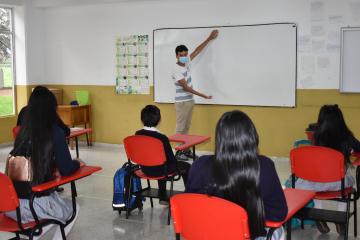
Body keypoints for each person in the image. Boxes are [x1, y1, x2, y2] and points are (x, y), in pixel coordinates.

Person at [186, 110, 288, 240]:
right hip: (245, 235)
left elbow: (190, 206)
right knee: (279, 230)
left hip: (207, 234)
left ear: (219, 138)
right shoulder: (264, 166)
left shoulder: (199, 164)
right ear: (252, 137)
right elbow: (278, 214)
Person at [5, 86, 83, 239]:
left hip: (10, 206)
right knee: (73, 209)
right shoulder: (55, 132)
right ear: (51, 109)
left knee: (53, 206)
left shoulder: (22, 132)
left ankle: (33, 236)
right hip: (34, 206)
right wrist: (77, 163)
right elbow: (66, 169)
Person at [295, 104, 360, 235]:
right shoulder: (347, 136)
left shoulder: (316, 137)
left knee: (315, 176)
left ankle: (319, 215)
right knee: (348, 179)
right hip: (338, 185)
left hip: (315, 184)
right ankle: (340, 219)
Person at [172, 30, 218, 160]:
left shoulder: (186, 63)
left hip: (189, 101)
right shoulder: (176, 69)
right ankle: (178, 152)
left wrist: (209, 38)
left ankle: (185, 150)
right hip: (182, 102)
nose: (185, 56)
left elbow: (197, 51)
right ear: (176, 56)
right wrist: (203, 96)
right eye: (182, 55)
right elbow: (186, 87)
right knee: (180, 128)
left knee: (186, 127)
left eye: (186, 54)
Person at [136, 105, 191, 205]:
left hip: (145, 169)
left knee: (160, 162)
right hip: (161, 171)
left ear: (142, 119)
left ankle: (163, 197)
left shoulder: (138, 134)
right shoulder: (161, 137)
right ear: (159, 119)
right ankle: (189, 195)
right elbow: (171, 160)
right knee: (186, 166)